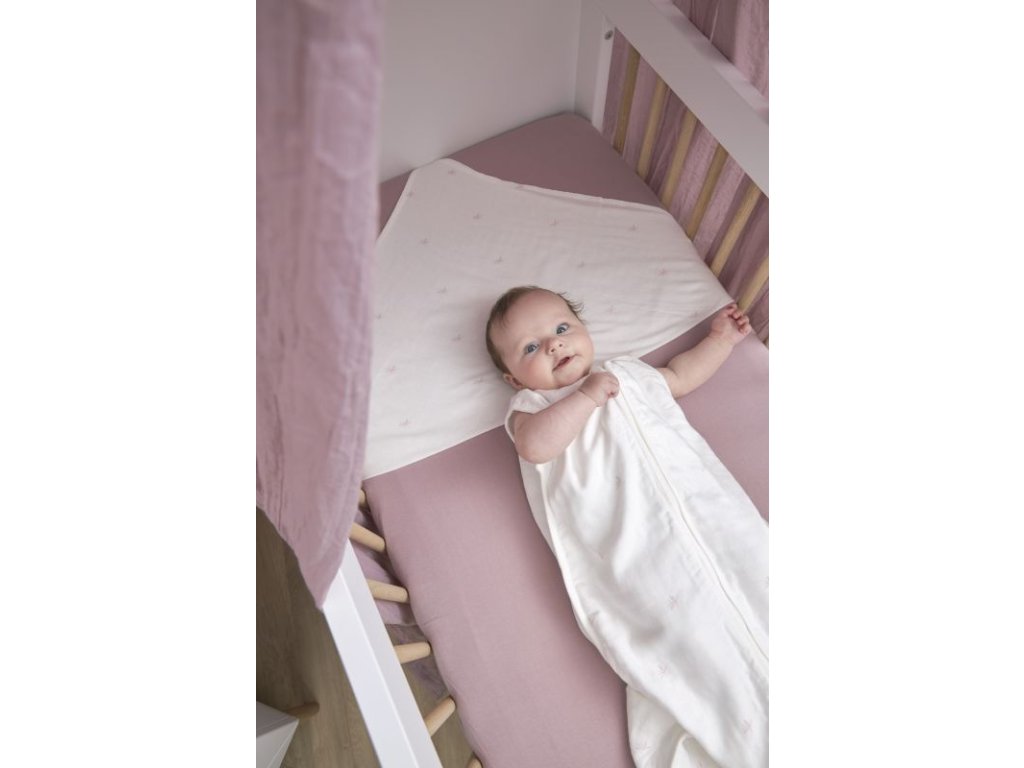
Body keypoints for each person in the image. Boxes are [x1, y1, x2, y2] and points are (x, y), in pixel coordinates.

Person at [485, 285, 768, 768]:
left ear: (585, 331)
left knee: (761, 578)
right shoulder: (533, 409)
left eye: (561, 328)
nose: (553, 344)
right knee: (695, 635)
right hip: (638, 549)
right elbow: (534, 447)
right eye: (531, 347)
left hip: (712, 516)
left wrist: (720, 340)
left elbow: (679, 376)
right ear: (513, 379)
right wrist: (585, 398)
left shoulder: (628, 373)